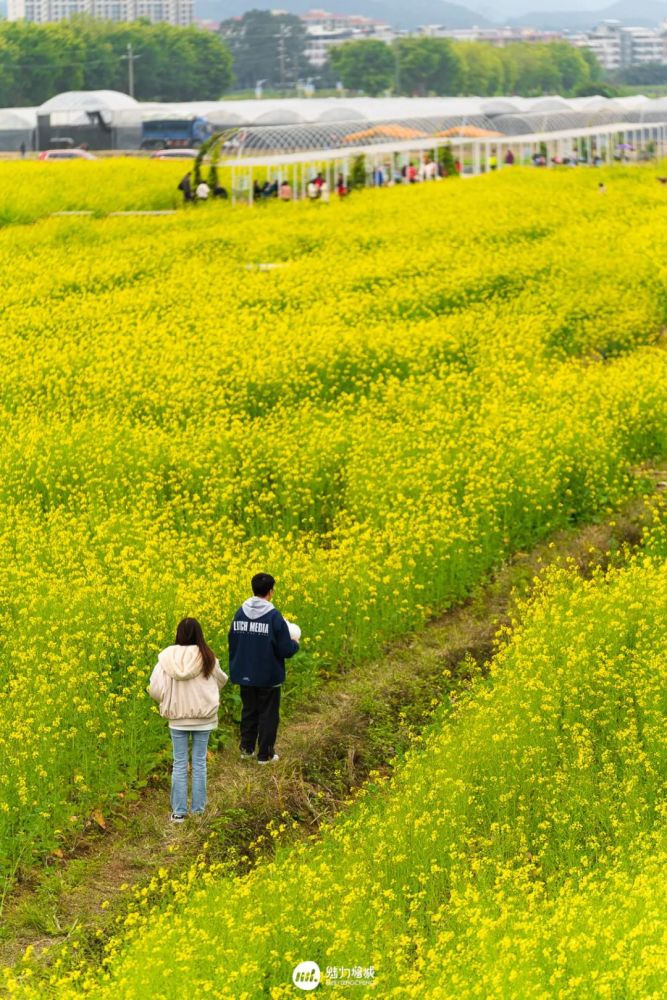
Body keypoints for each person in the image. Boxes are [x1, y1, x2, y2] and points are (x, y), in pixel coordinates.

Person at [149, 618, 228, 822]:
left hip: (178, 718)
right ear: (199, 634)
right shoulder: (207, 656)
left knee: (179, 763)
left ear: (178, 634)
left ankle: (179, 812)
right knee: (200, 763)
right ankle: (199, 811)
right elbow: (222, 680)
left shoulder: (166, 658)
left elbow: (155, 689)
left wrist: (169, 698)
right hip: (203, 718)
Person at [228, 572, 299, 764]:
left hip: (244, 673)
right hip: (268, 676)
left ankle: (247, 749)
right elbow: (285, 649)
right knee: (268, 715)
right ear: (270, 591)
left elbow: (233, 641)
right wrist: (295, 643)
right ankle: (265, 755)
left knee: (249, 710)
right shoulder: (274, 617)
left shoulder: (240, 613)